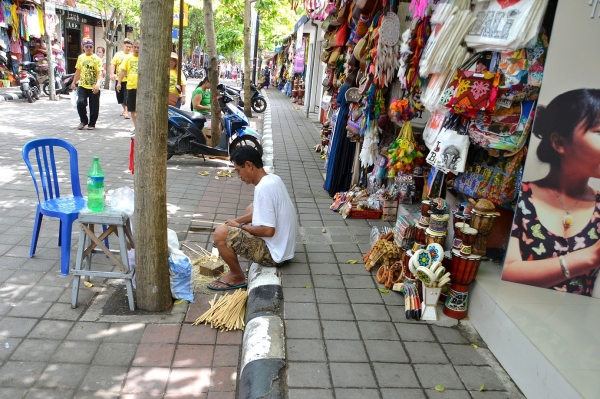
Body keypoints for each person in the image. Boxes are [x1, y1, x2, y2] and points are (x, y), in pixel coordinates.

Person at [503, 89, 600, 296]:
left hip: (573, 326)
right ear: (559, 143)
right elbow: (506, 270)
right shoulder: (518, 196)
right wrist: (592, 256)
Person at [207, 145, 298, 290]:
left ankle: (236, 276)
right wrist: (234, 222)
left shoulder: (263, 188)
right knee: (252, 207)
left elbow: (268, 231)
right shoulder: (273, 179)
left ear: (249, 165)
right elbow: (259, 213)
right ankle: (226, 242)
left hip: (274, 255)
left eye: (238, 171)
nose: (239, 176)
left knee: (220, 234)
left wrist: (239, 227)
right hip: (285, 249)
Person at [70, 37, 103, 130]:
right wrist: (73, 82)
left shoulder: (97, 59)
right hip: (82, 85)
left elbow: (99, 73)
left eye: (91, 46)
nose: (89, 48)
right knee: (80, 102)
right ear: (83, 47)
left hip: (94, 86)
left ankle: (92, 123)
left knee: (94, 106)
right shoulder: (81, 57)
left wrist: (98, 84)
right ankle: (83, 120)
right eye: (87, 46)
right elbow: (78, 71)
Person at [117, 40, 139, 131]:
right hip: (131, 86)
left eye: (138, 48)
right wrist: (119, 83)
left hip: (142, 88)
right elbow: (123, 71)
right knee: (132, 109)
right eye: (135, 47)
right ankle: (136, 127)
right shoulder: (127, 58)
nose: (136, 49)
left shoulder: (145, 58)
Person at [110, 39, 133, 118]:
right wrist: (112, 74)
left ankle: (126, 112)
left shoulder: (132, 55)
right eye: (127, 46)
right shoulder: (118, 54)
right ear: (123, 46)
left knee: (126, 96)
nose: (128, 48)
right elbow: (113, 64)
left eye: (130, 47)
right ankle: (124, 109)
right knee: (119, 97)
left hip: (128, 80)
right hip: (119, 79)